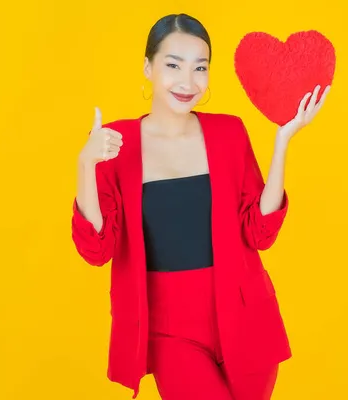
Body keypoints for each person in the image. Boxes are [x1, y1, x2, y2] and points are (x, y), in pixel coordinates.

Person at [71, 13, 329, 400]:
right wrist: (86, 164)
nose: (187, 81)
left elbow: (259, 232)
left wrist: (282, 142)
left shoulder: (229, 132)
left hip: (245, 318)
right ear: (148, 67)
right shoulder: (115, 143)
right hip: (168, 328)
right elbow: (97, 248)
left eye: (200, 68)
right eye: (173, 65)